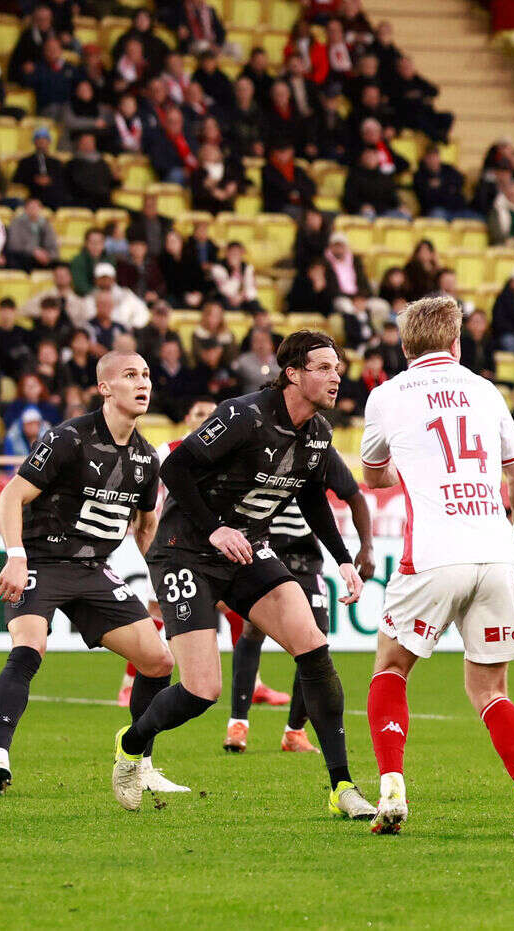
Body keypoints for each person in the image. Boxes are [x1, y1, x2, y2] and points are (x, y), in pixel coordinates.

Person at [117, 331, 374, 818]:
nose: (335, 376)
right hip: (185, 550)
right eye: (323, 367)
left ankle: (342, 787)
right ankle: (131, 745)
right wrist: (213, 529)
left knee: (314, 648)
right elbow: (174, 469)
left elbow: (311, 497)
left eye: (337, 368)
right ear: (293, 373)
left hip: (247, 549)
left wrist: (342, 558)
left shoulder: (318, 431)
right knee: (201, 691)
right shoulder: (243, 414)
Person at [359, 296, 514, 838]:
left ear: (404, 347)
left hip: (432, 553)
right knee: (492, 690)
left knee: (391, 667)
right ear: (456, 342)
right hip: (495, 549)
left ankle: (392, 788)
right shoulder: (485, 389)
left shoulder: (387, 395)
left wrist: (415, 466)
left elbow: (373, 477)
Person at [0, 351, 187, 798]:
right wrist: (16, 556)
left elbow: (146, 525)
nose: (143, 383)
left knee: (159, 662)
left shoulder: (146, 458)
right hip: (41, 561)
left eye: (147, 375)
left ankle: (140, 763)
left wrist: (163, 580)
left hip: (94, 571)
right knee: (30, 647)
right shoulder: (70, 438)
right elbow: (10, 497)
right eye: (131, 375)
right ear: (105, 388)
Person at [224, 446, 375, 753]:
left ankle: (294, 732)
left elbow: (354, 496)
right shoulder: (256, 440)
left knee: (315, 639)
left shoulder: (317, 447)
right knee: (253, 629)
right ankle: (237, 724)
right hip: (262, 551)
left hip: (306, 559)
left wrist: (366, 547)